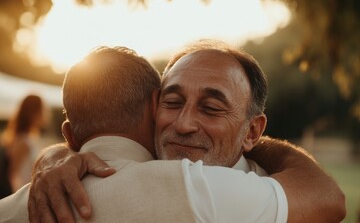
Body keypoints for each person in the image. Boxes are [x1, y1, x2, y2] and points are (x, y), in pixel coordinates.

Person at [27, 40, 345, 222]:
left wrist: (61, 153)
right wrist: (62, 154)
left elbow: (331, 200)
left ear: (252, 132)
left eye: (211, 108)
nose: (183, 124)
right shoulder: (128, 169)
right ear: (152, 111)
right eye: (173, 102)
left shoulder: (276, 201)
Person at [0, 94, 47, 192]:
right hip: (22, 195)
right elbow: (12, 175)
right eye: (43, 110)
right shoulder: (24, 141)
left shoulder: (27, 138)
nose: (46, 114)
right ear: (34, 113)